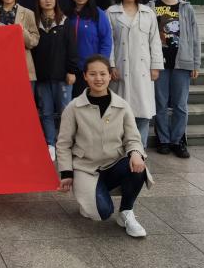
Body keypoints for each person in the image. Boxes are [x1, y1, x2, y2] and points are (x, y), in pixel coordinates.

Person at [56, 55, 150, 238]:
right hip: (86, 168)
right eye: (92, 74)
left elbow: (133, 138)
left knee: (138, 166)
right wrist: (66, 173)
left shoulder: (122, 106)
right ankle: (92, 196)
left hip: (114, 164)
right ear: (85, 76)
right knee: (103, 213)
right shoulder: (74, 107)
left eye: (102, 74)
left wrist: (136, 153)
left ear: (109, 76)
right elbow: (64, 144)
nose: (98, 78)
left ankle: (126, 212)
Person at [149, 0, 201, 158]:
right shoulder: (150, 7)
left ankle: (177, 140)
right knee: (160, 103)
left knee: (180, 104)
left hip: (182, 62)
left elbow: (195, 37)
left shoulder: (186, 8)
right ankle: (163, 140)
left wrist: (196, 63)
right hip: (158, 63)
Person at [107, 0, 162, 145]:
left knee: (143, 113)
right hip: (120, 68)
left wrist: (156, 66)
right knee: (120, 113)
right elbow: (109, 42)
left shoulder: (147, 12)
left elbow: (155, 41)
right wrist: (111, 65)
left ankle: (140, 150)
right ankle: (122, 150)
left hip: (143, 69)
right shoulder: (111, 12)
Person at [31, 0, 79, 160]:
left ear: (56, 0)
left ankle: (66, 143)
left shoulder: (65, 22)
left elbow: (72, 48)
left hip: (62, 75)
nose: (47, 0)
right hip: (42, 75)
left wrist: (72, 70)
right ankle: (50, 143)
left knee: (66, 111)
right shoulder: (34, 22)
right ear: (38, 0)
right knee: (46, 111)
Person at [67, 0, 113, 106]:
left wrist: (101, 63)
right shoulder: (67, 14)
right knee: (75, 104)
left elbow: (106, 40)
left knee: (93, 102)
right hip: (71, 68)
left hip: (91, 69)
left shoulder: (98, 14)